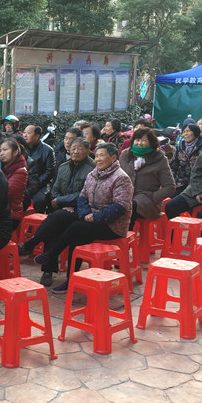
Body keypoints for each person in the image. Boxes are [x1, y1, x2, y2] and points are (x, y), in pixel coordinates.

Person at [35, 143, 134, 292]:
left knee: (77, 227)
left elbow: (120, 207)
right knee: (67, 226)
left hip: (112, 226)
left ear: (113, 157)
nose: (98, 159)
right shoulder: (93, 173)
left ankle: (51, 254)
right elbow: (82, 197)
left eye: (102, 155)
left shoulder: (121, 178)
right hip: (91, 218)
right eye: (97, 155)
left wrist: (95, 217)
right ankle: (70, 279)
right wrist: (84, 214)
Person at [18, 137, 96, 286]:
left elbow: (84, 194)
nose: (75, 151)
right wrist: (60, 201)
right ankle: (48, 271)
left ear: (87, 151)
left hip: (82, 210)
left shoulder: (92, 169)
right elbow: (54, 190)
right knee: (53, 225)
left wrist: (61, 201)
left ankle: (31, 244)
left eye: (80, 149)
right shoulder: (63, 167)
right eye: (73, 148)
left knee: (56, 219)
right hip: (63, 209)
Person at [119, 128, 175, 230]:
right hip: (124, 195)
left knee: (130, 207)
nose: (139, 143)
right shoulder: (125, 155)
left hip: (146, 201)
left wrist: (153, 198)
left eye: (143, 140)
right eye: (137, 140)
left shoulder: (160, 159)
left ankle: (126, 234)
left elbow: (170, 186)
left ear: (151, 142)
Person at [21, 124, 56, 213]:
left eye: (28, 133)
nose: (25, 135)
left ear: (37, 136)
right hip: (23, 183)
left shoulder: (48, 150)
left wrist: (35, 185)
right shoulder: (21, 148)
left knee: (40, 200)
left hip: (41, 184)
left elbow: (50, 171)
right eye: (24, 132)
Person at [170, 123, 202, 195]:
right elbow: (172, 166)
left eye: (188, 131)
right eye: (183, 132)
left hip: (198, 185)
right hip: (181, 183)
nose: (185, 134)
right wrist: (175, 180)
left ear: (195, 132)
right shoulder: (181, 147)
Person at [0, 137, 28, 230]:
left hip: (11, 214)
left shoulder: (21, 171)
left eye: (5, 150)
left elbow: (7, 192)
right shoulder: (0, 167)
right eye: (0, 150)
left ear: (15, 152)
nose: (1, 153)